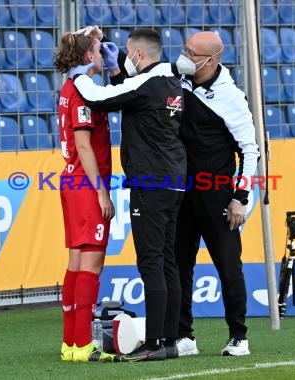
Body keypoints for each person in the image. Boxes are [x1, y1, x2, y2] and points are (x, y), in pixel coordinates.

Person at [69, 27, 186, 361]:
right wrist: (118, 68)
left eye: (126, 54)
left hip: (151, 182)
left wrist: (78, 77)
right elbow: (130, 94)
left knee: (151, 262)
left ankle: (153, 345)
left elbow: (98, 98)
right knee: (167, 261)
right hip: (175, 180)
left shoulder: (147, 84)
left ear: (137, 55)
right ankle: (170, 341)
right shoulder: (170, 82)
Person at [172, 31, 260, 357]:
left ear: (211, 60)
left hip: (217, 195)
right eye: (184, 49)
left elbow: (249, 151)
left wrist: (241, 197)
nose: (184, 56)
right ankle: (184, 336)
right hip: (182, 192)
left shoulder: (231, 97)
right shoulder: (178, 79)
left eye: (191, 53)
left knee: (227, 266)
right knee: (180, 265)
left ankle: (239, 336)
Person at [53, 30, 118, 363]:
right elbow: (82, 144)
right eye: (98, 49)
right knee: (92, 263)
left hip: (71, 180)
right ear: (88, 57)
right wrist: (101, 191)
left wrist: (91, 35)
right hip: (85, 184)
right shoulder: (83, 92)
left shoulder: (70, 87)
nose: (102, 53)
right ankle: (83, 345)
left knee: (77, 262)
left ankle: (70, 344)